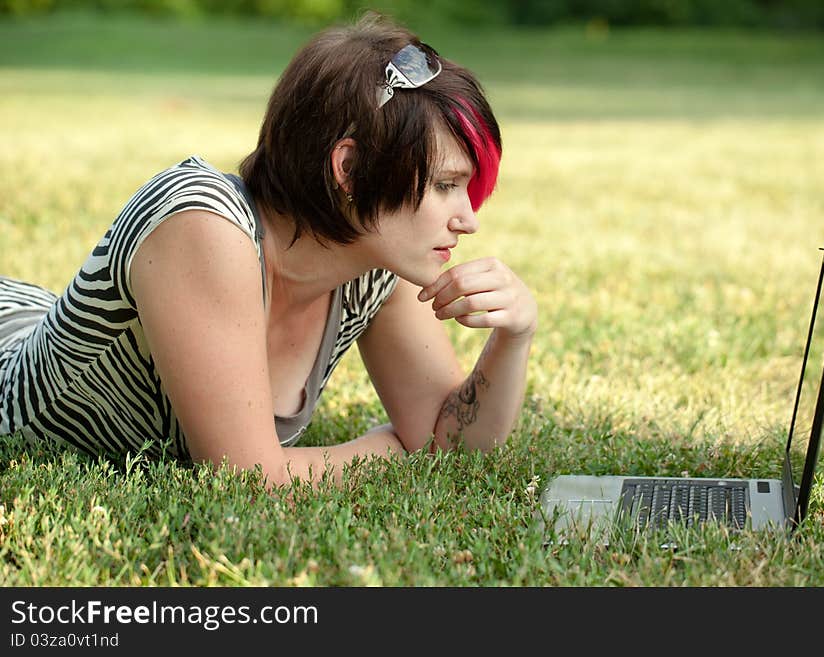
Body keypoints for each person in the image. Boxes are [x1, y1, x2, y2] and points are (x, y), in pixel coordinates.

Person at [0, 12, 537, 490]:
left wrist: (514, 337)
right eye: (445, 185)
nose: (468, 218)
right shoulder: (201, 222)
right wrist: (385, 451)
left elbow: (450, 444)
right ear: (349, 168)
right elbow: (248, 477)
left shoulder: (371, 268)